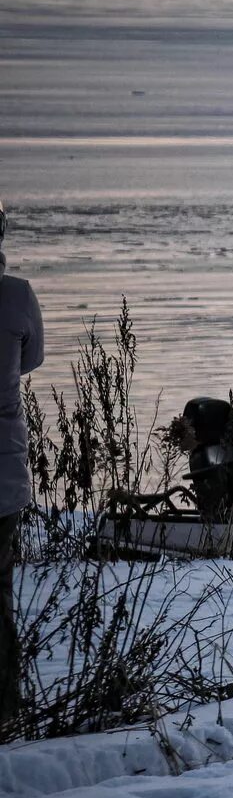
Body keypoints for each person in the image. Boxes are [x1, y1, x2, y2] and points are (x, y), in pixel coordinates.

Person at [0, 200, 45, 728]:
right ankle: (7, 708)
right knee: (1, 596)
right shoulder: (17, 295)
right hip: (4, 467)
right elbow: (32, 359)